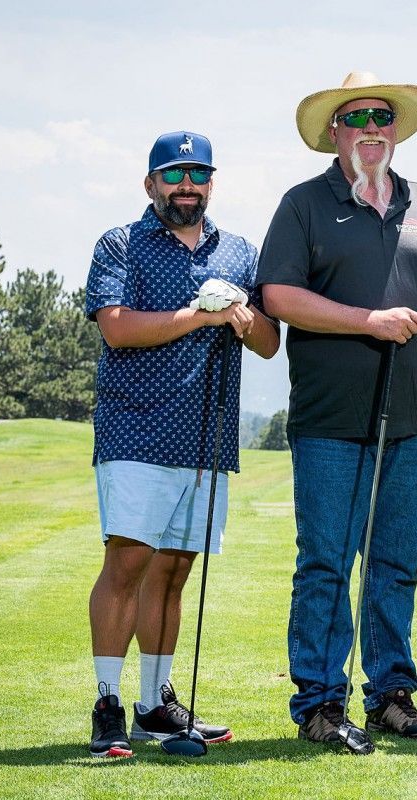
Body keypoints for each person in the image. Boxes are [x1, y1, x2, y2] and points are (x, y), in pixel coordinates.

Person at [257, 71, 417, 753]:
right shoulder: (303, 205)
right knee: (325, 561)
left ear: (395, 128)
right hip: (330, 421)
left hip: (411, 420)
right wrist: (368, 321)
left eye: (381, 116)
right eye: (355, 117)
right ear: (335, 131)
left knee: (394, 563)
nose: (370, 127)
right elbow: (278, 297)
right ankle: (321, 703)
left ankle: (389, 695)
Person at [83, 131, 280, 756]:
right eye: (173, 175)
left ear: (212, 183)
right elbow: (117, 329)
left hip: (206, 440)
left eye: (197, 174)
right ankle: (108, 704)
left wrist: (244, 319)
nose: (185, 186)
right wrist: (202, 314)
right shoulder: (121, 244)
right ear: (151, 184)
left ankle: (154, 704)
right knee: (128, 564)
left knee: (172, 572)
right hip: (136, 429)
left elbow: (271, 343)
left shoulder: (241, 253)